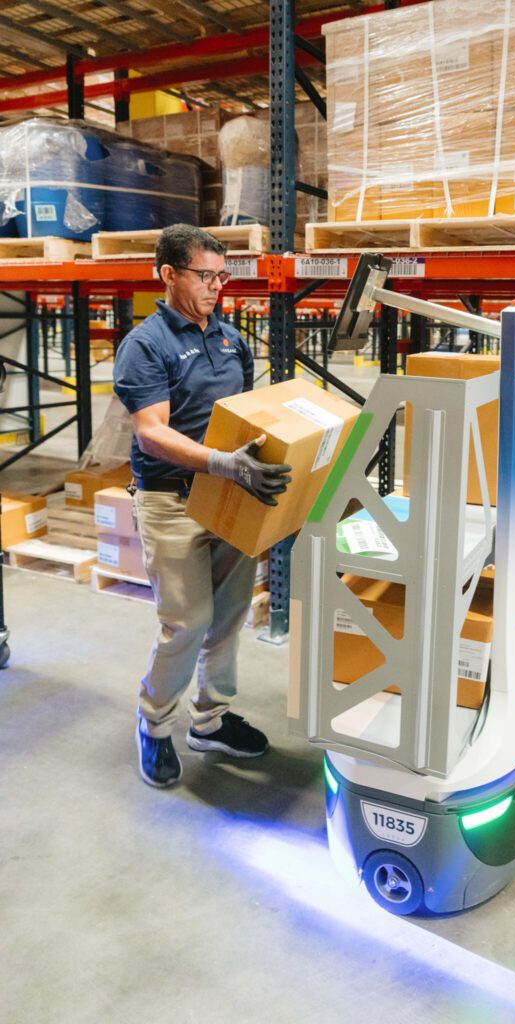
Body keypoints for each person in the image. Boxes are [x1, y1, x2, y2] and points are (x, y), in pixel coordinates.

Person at [113, 224, 291, 789]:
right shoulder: (147, 345)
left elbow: (245, 418)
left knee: (230, 614)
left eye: (222, 276)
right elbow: (151, 434)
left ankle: (210, 721)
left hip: (229, 495)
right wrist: (222, 463)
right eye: (205, 275)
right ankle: (154, 724)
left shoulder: (231, 340)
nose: (217, 286)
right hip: (172, 500)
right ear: (169, 274)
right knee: (187, 621)